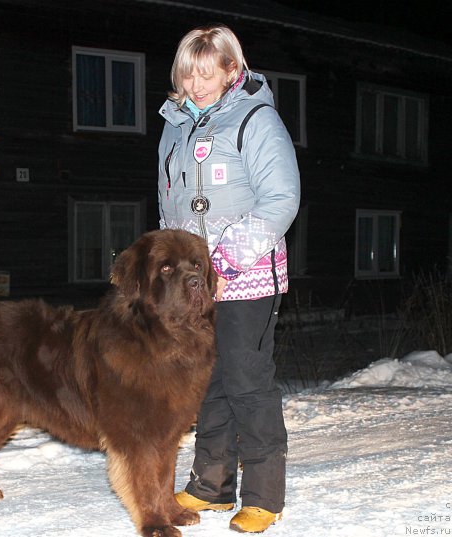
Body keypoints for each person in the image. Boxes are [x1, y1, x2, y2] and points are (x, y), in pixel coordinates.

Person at [157, 24, 300, 533]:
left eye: (206, 73)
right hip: (193, 285)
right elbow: (169, 203)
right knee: (206, 381)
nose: (196, 85)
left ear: (230, 70)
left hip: (248, 274)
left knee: (246, 380)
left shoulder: (256, 118)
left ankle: (264, 496)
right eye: (187, 74)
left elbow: (281, 198)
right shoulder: (175, 126)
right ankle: (211, 486)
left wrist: (227, 259)